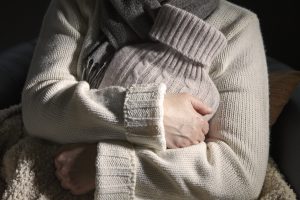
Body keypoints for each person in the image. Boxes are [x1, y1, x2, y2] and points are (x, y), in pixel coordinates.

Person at [22, 0, 270, 199]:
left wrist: (103, 165)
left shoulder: (237, 27)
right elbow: (38, 108)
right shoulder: (80, 5)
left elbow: (238, 175)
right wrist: (153, 113)